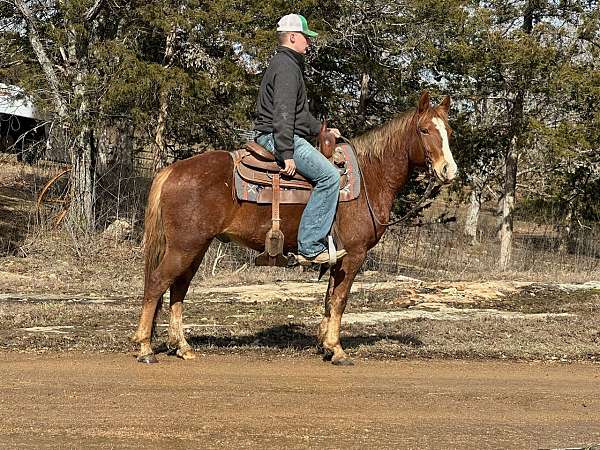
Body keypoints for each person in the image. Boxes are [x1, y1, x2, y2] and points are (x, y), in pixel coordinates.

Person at [254, 13, 347, 265]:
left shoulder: (288, 64)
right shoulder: (286, 67)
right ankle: (310, 246)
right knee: (329, 177)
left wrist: (321, 130)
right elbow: (283, 115)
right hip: (277, 137)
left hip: (281, 133)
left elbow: (298, 115)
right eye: (306, 37)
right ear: (293, 37)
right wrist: (286, 153)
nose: (309, 42)